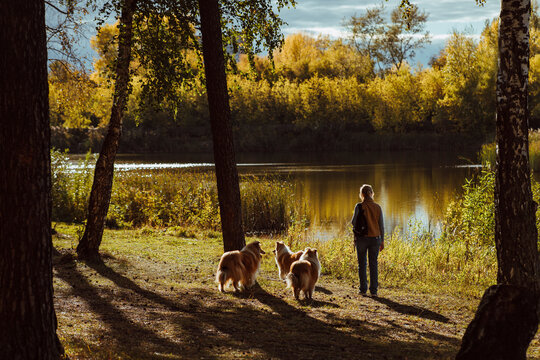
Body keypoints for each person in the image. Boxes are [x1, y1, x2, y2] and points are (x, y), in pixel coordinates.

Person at [351, 184, 384, 296]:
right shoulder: (378, 207)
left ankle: (363, 290)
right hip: (375, 239)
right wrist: (382, 241)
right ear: (371, 193)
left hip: (362, 239)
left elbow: (353, 222)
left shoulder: (359, 206)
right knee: (373, 264)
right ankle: (374, 291)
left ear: (362, 194)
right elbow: (381, 226)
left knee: (362, 264)